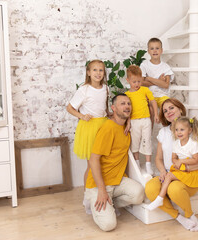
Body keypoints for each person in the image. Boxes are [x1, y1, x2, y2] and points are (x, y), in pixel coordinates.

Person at [144, 98, 198, 232]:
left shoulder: (193, 130)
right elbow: (158, 158)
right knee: (150, 188)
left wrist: (187, 168)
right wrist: (162, 171)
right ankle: (179, 218)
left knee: (174, 189)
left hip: (189, 175)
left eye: (171, 108)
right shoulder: (163, 133)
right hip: (171, 174)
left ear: (180, 109)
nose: (168, 112)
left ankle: (190, 214)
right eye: (164, 111)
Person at [84, 94, 144, 231]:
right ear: (113, 108)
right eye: (122, 103)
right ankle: (94, 201)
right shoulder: (108, 128)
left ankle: (110, 204)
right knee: (109, 225)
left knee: (139, 194)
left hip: (117, 181)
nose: (127, 106)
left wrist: (129, 121)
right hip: (98, 184)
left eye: (129, 103)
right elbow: (93, 159)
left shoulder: (126, 128)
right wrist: (101, 189)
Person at [66, 60, 110, 214]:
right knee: (92, 165)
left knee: (103, 163)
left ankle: (104, 195)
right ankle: (87, 198)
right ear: (88, 72)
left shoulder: (105, 88)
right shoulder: (84, 89)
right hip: (90, 126)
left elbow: (103, 108)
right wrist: (81, 115)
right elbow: (70, 107)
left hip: (103, 125)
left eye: (101, 70)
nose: (98, 73)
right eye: (95, 70)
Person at [146, 116, 198, 211]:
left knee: (169, 176)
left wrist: (181, 161)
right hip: (180, 169)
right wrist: (176, 162)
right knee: (168, 176)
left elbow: (196, 160)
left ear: (190, 130)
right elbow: (173, 158)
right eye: (177, 130)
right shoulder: (176, 144)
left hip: (191, 171)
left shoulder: (193, 144)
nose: (179, 132)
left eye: (182, 130)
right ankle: (161, 198)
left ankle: (160, 198)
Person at [125, 65, 159, 175]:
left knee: (147, 140)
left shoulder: (145, 90)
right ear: (128, 80)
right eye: (134, 82)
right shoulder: (127, 95)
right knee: (135, 142)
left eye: (139, 81)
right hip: (134, 122)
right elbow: (127, 110)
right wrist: (128, 123)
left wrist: (156, 114)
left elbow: (153, 101)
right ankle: (137, 163)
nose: (137, 84)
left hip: (146, 120)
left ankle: (148, 164)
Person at [140, 38, 174, 125]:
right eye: (152, 48)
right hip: (148, 95)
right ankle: (149, 135)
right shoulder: (144, 65)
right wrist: (159, 81)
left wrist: (149, 78)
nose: (155, 51)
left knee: (169, 106)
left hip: (162, 94)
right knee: (150, 110)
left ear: (161, 50)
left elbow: (166, 85)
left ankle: (169, 131)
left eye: (157, 48)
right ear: (148, 51)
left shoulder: (166, 67)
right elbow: (141, 82)